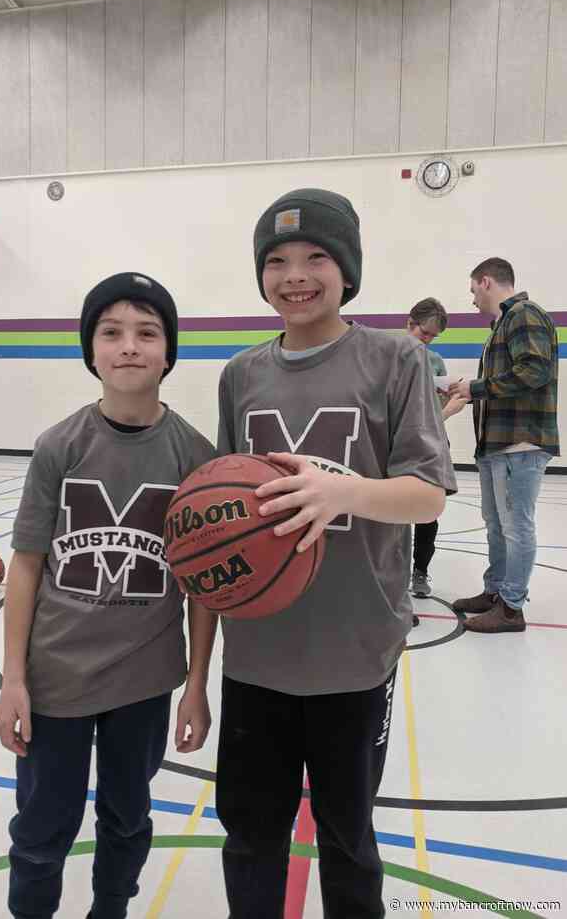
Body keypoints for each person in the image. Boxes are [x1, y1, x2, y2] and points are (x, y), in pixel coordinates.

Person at [216, 189, 457, 919]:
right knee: (251, 834)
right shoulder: (239, 375)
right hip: (256, 651)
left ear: (346, 269)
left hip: (354, 649)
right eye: (278, 261)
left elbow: (428, 493)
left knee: (347, 835)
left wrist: (340, 493)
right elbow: (223, 500)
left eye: (315, 257)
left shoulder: (395, 360)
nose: (296, 274)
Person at [0, 272, 218, 919]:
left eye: (147, 332)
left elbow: (203, 586)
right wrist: (14, 678)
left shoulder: (195, 456)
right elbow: (26, 566)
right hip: (56, 677)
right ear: (90, 350)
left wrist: (197, 681)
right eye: (111, 332)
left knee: (127, 815)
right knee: (44, 822)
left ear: (168, 352)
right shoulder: (58, 447)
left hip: (144, 682)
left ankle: (110, 909)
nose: (128, 346)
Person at [448, 258, 560, 634]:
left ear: (485, 281)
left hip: (520, 443)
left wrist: (476, 388)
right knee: (496, 525)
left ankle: (512, 608)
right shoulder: (504, 323)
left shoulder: (524, 314)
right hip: (498, 444)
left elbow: (534, 370)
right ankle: (496, 591)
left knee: (515, 526)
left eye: (473, 291)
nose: (473, 300)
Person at [406, 298, 469, 601]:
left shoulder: (436, 362)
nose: (428, 341)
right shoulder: (387, 358)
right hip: (398, 446)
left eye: (433, 337)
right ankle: (388, 571)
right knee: (391, 512)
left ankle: (420, 571)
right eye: (424, 333)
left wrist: (447, 398)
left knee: (428, 511)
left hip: (431, 444)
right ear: (410, 324)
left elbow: (439, 409)